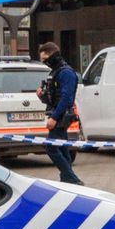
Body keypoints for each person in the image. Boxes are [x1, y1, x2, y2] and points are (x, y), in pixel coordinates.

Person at [37, 41, 83, 186]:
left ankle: (71, 178)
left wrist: (54, 118)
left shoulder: (66, 73)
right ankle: (67, 178)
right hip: (58, 112)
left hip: (62, 114)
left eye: (45, 60)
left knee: (51, 146)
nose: (45, 63)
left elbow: (66, 97)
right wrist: (42, 95)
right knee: (62, 146)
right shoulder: (56, 72)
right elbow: (53, 97)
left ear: (53, 56)